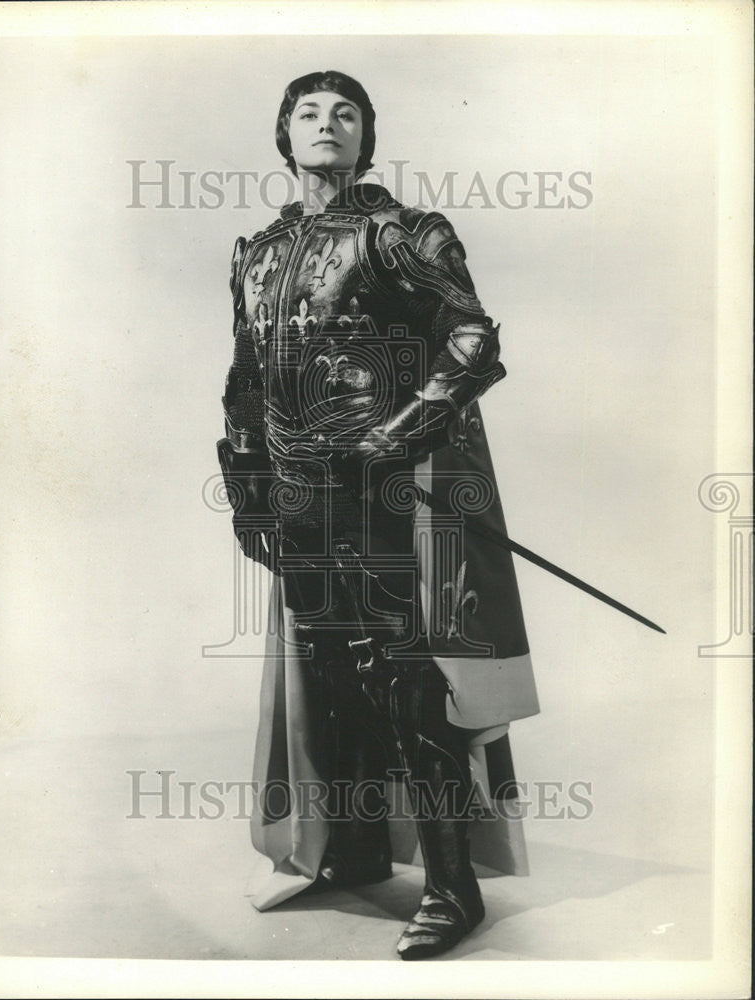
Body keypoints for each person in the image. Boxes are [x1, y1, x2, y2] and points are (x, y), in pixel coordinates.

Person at [217, 70, 539, 960]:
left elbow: (472, 338)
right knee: (326, 670)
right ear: (284, 136)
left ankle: (451, 887)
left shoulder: (399, 232)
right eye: (309, 114)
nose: (327, 125)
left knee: (402, 672)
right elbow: (245, 380)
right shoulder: (256, 251)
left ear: (366, 137)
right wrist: (247, 489)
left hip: (383, 491)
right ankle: (354, 847)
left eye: (345, 114)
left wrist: (400, 436)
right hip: (296, 491)